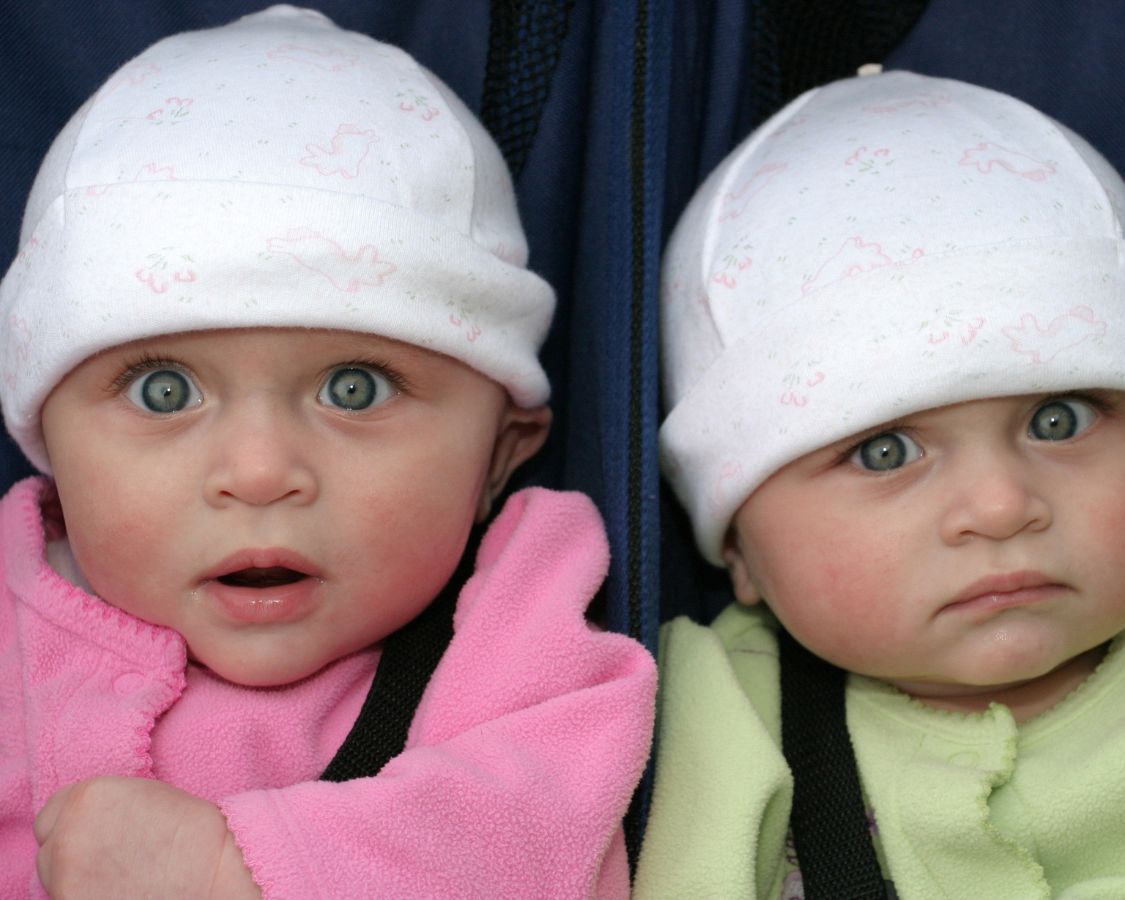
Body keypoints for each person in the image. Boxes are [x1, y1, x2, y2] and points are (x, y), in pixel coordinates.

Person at [0, 6, 656, 897]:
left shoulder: (520, 619)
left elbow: (543, 836)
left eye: (357, 388)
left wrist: (235, 870)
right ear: (47, 441)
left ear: (499, 456)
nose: (262, 472)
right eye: (165, 392)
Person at [635, 68, 1125, 898]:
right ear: (740, 550)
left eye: (1060, 419)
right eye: (886, 452)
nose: (1001, 506)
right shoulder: (719, 715)